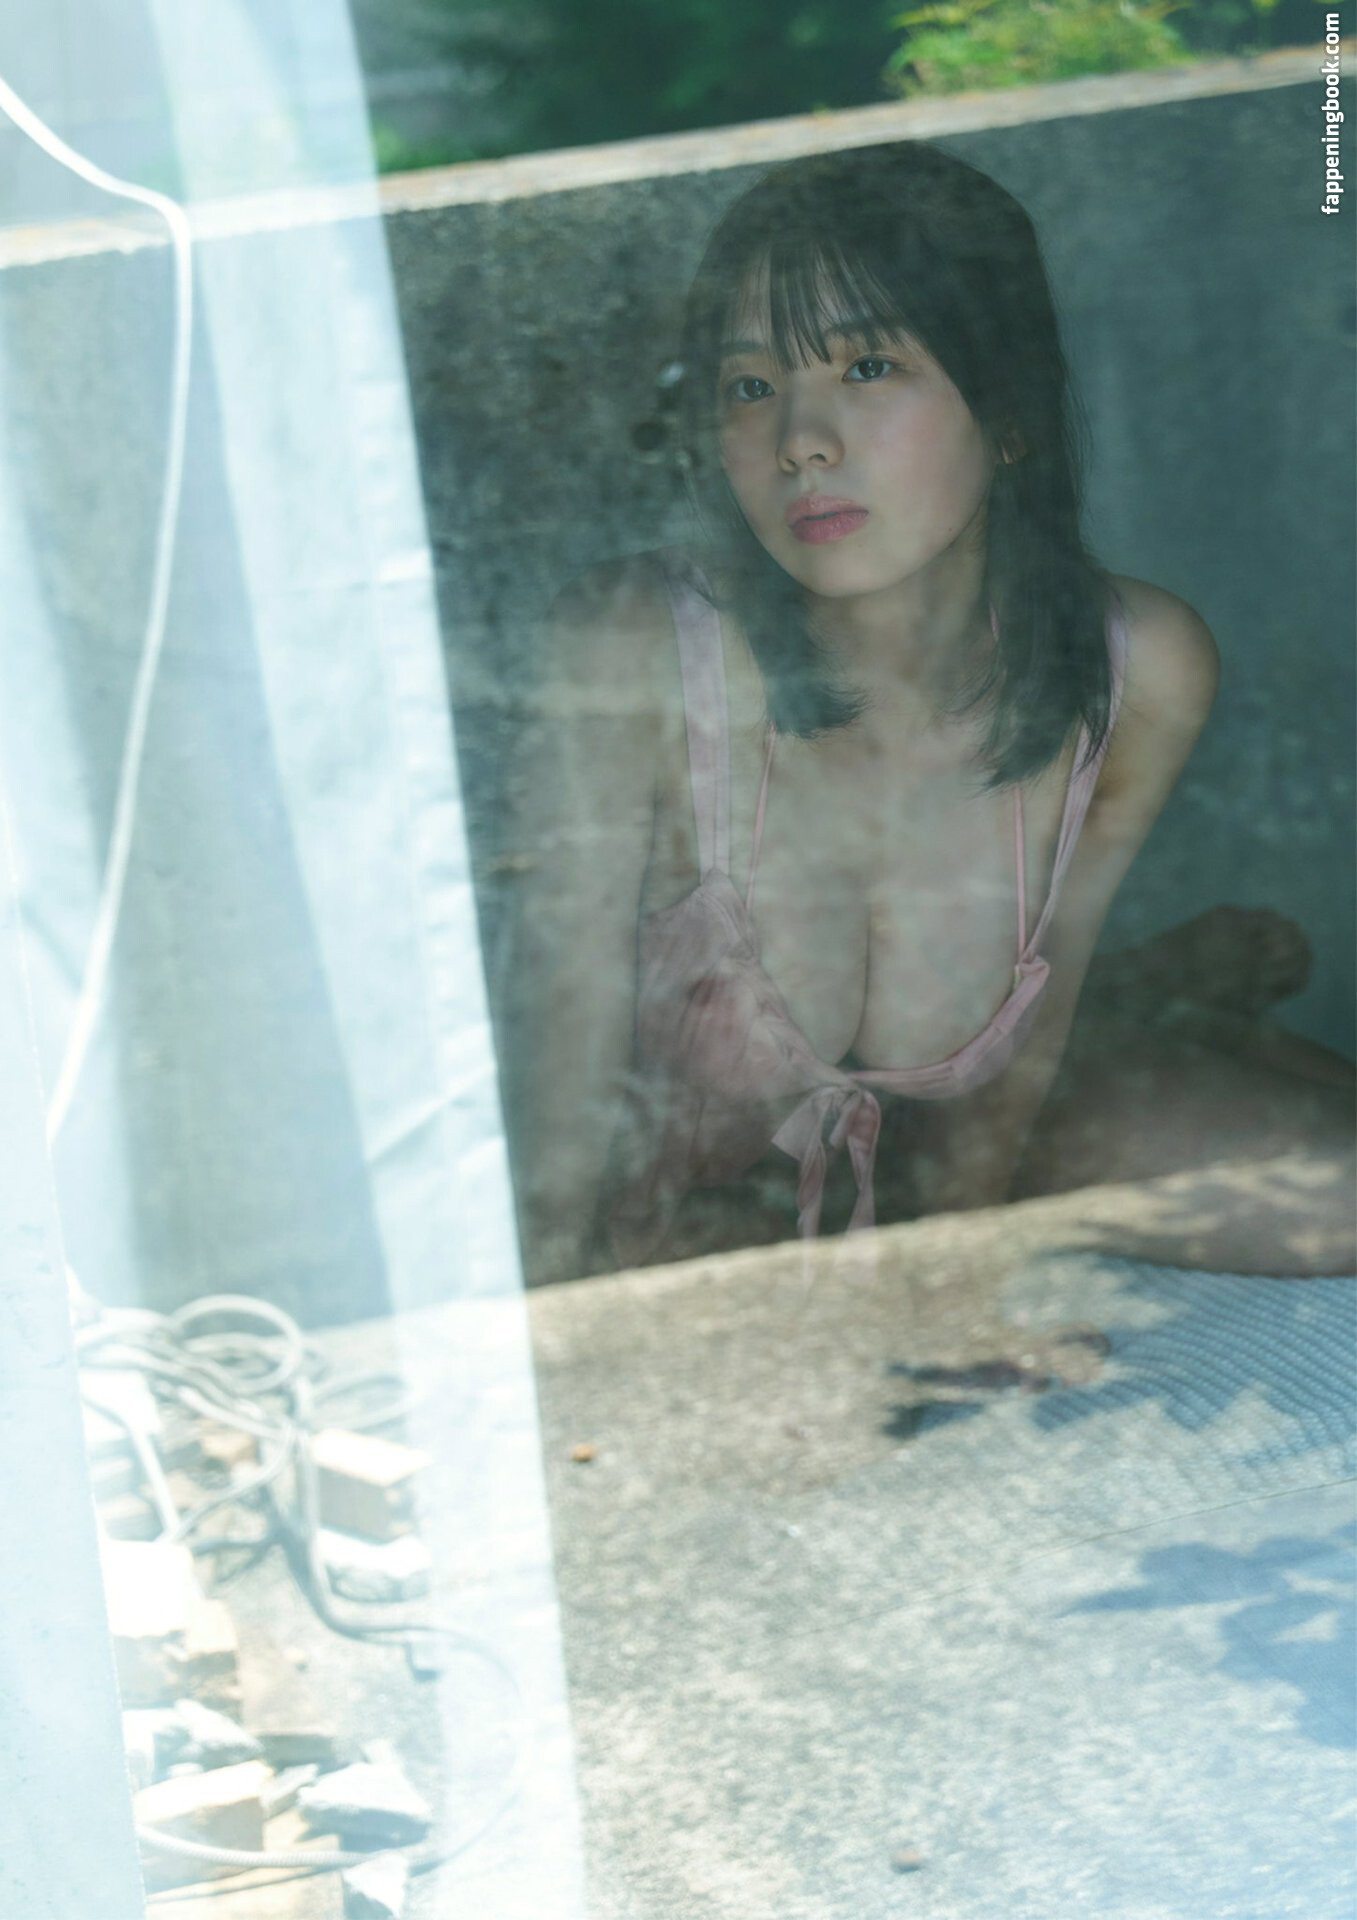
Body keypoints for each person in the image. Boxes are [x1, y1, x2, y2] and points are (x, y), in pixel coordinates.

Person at [495, 142, 1355, 1288]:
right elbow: (544, 1129)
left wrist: (952, 1287)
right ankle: (1166, 991)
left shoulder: (1136, 666)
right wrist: (556, 1331)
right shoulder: (632, 645)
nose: (800, 438)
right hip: (687, 1244)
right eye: (748, 387)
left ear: (1008, 414)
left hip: (970, 1154)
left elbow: (1031, 1046)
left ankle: (1160, 1000)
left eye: (867, 366)